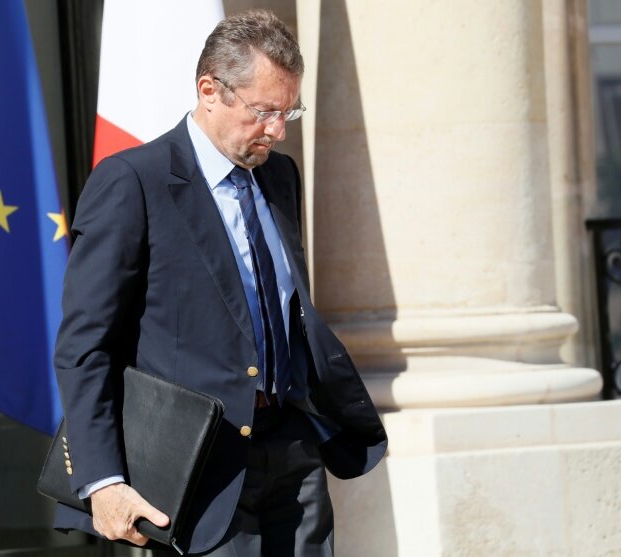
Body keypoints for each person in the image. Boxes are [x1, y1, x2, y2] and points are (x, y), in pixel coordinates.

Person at [53, 9, 387, 556]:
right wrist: (103, 481)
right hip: (201, 469)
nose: (278, 131)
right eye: (264, 111)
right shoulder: (133, 182)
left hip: (293, 449)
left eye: (288, 112)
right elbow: (84, 346)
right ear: (210, 91)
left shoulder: (280, 176)